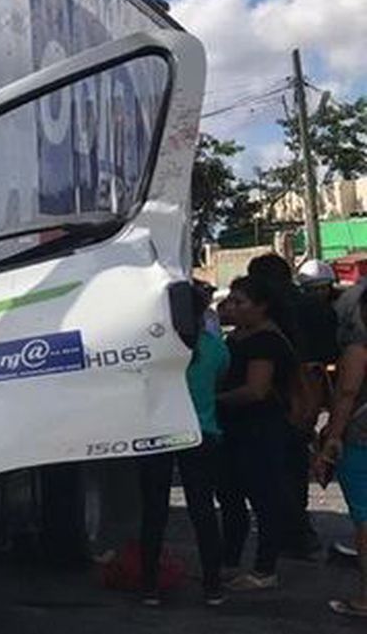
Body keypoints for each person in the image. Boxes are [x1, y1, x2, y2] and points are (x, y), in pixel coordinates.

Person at [138, 282, 228, 606]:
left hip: (159, 435)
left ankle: (149, 587)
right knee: (203, 511)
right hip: (202, 434)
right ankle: (213, 586)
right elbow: (220, 378)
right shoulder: (215, 348)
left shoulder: (153, 348)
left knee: (154, 512)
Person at [216, 274, 297, 590]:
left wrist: (215, 400)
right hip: (236, 429)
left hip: (260, 428)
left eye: (240, 302)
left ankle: (265, 567)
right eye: (231, 301)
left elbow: (256, 390)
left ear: (261, 306)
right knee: (231, 495)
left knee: (263, 497)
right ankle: (230, 560)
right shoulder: (237, 337)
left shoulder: (265, 342)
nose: (232, 308)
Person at [248, 253, 330, 557]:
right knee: (295, 466)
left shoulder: (267, 318)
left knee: (272, 471)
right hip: (309, 396)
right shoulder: (315, 308)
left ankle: (287, 532)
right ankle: (300, 530)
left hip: (274, 400)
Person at [315, 288, 367, 618]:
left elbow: (347, 394)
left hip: (361, 439)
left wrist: (332, 438)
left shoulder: (358, 350)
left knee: (365, 519)